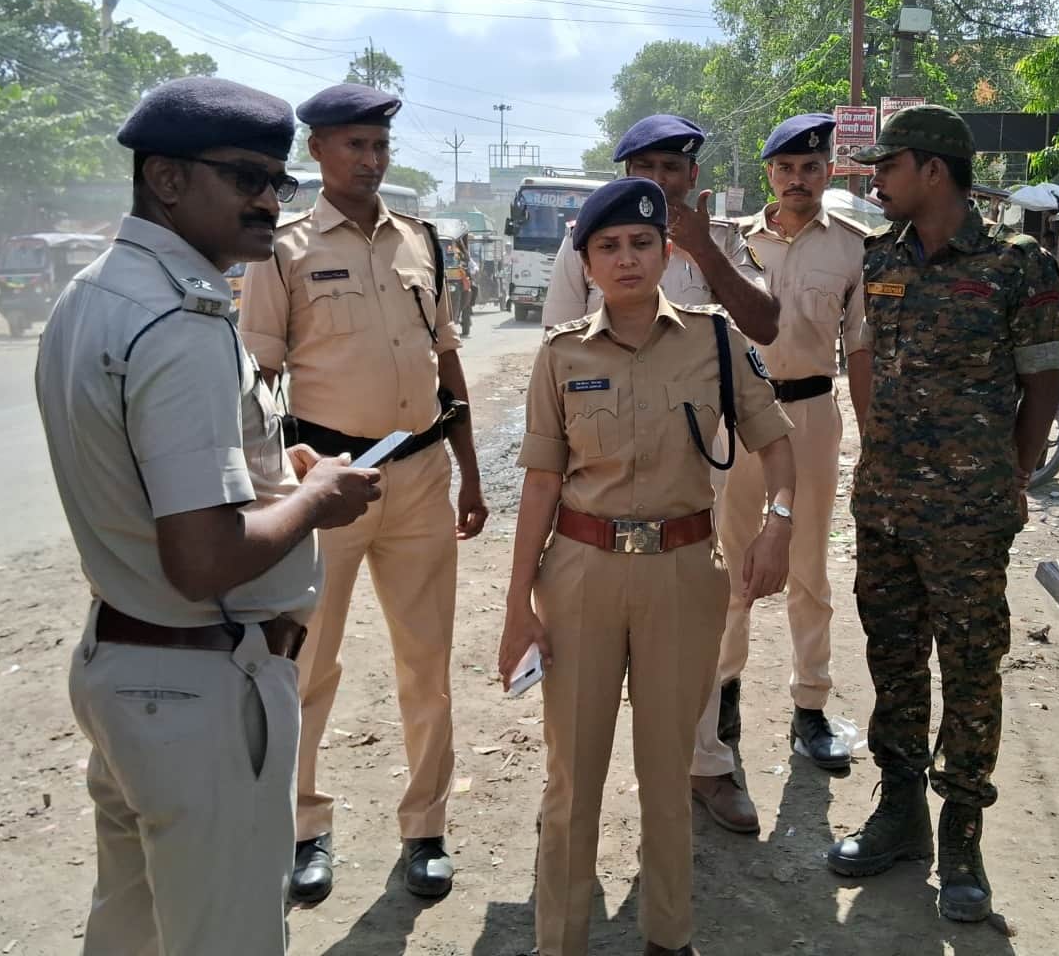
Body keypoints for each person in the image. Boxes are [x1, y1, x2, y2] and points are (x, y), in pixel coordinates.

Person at [34, 76, 382, 955]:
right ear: (167, 179)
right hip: (196, 685)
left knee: (135, 926)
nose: (270, 202)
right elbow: (201, 557)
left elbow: (152, 475)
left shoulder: (97, 292)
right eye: (245, 178)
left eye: (279, 182)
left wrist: (275, 474)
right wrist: (313, 501)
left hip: (126, 664)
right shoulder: (178, 320)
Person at [497, 177, 797, 956]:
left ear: (667, 252)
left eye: (641, 243)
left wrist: (779, 524)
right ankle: (559, 941)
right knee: (572, 779)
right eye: (608, 247)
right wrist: (516, 606)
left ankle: (670, 937)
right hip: (582, 575)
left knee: (667, 776)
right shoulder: (560, 356)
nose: (626, 258)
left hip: (683, 571)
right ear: (587, 263)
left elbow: (776, 439)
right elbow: (538, 482)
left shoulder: (718, 341)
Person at [237, 82, 487, 906]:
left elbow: (444, 359)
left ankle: (426, 828)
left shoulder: (421, 241)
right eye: (356, 146)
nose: (372, 161)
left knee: (427, 663)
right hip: (325, 484)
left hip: (420, 476)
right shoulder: (285, 248)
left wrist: (472, 470)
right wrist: (278, 484)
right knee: (309, 665)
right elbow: (260, 375)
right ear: (318, 151)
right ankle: (303, 827)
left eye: (380, 147)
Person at [825, 105, 1059, 924]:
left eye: (888, 167)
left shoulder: (1015, 263)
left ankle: (962, 834)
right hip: (885, 503)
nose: (877, 181)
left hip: (968, 511)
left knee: (968, 668)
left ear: (932, 170)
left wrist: (1013, 472)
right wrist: (876, 446)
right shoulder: (879, 256)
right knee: (894, 659)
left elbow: (1041, 383)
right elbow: (865, 362)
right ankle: (901, 813)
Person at [687, 114, 868, 837]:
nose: (799, 179)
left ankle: (811, 705)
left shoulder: (854, 251)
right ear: (768, 174)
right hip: (734, 423)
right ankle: (723, 699)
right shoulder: (730, 242)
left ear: (829, 172)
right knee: (727, 565)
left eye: (812, 166)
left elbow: (862, 356)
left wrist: (873, 435)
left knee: (807, 565)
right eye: (786, 167)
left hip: (812, 413)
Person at [540, 114, 779, 345]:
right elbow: (560, 340)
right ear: (628, 172)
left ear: (692, 175)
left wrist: (704, 249)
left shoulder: (721, 238)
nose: (658, 179)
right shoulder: (587, 238)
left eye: (671, 167)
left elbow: (765, 329)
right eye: (645, 166)